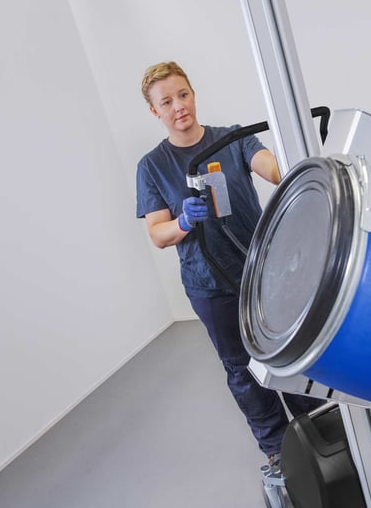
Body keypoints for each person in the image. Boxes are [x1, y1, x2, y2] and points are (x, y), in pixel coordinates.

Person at [135, 61, 323, 464]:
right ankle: (276, 448)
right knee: (241, 368)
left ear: (193, 94)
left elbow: (271, 169)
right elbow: (157, 234)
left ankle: (322, 428)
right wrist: (183, 221)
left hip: (262, 271)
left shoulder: (233, 139)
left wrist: (294, 159)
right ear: (155, 112)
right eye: (166, 102)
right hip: (209, 285)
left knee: (287, 351)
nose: (178, 106)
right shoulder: (152, 166)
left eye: (183, 95)